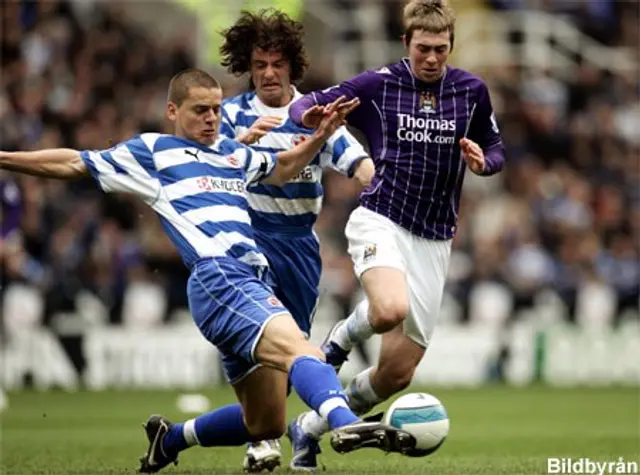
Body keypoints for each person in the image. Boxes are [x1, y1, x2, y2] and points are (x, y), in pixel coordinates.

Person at [0, 68, 415, 474]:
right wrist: (5, 158)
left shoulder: (231, 152)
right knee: (301, 352)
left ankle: (171, 438)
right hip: (220, 278)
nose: (211, 118)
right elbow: (74, 162)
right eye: (200, 110)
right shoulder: (154, 151)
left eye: (216, 109)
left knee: (265, 422)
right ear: (172, 111)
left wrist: (320, 138)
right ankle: (347, 425)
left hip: (250, 280)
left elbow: (284, 166)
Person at [287, 0, 506, 469]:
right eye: (424, 48)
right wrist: (308, 115)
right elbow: (306, 101)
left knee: (396, 375)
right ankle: (340, 340)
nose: (432, 58)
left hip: (435, 239)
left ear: (451, 47)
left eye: (441, 50)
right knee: (388, 309)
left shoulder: (471, 91)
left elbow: (496, 148)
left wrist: (483, 163)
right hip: (381, 218)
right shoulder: (377, 85)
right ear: (406, 43)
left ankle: (307, 429)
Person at [218, 9, 375, 472]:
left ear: (292, 65)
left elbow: (359, 164)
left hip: (299, 245)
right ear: (248, 66)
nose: (268, 73)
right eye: (260, 64)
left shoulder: (314, 112)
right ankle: (260, 442)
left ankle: (260, 430)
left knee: (291, 353)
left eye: (277, 63)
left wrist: (386, 195)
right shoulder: (229, 115)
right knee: (256, 344)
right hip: (247, 239)